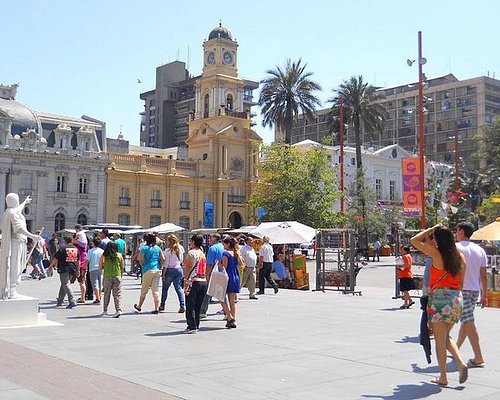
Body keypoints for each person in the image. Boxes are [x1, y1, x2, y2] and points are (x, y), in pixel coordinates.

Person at [411, 225, 468, 386]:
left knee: (439, 341)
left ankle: (443, 376)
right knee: (447, 337)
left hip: (439, 298)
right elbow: (461, 283)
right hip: (456, 298)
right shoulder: (461, 257)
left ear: (438, 240)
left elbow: (413, 241)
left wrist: (431, 229)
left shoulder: (436, 254)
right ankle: (461, 364)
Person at [455, 221, 488, 368]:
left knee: (468, 321)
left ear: (461, 231)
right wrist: (484, 294)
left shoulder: (456, 248)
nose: (455, 233)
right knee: (466, 321)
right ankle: (456, 347)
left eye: (456, 230)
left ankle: (478, 356)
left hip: (462, 289)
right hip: (475, 290)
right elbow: (484, 275)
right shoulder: (480, 250)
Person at [0, 194, 41, 299]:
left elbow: (17, 209)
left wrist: (25, 202)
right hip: (16, 243)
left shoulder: (9, 211)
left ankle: (11, 289)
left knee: (18, 266)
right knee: (15, 266)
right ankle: (11, 291)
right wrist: (33, 236)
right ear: (15, 201)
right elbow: (18, 228)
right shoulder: (12, 213)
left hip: (19, 242)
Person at [134, 233, 165, 314]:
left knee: (144, 289)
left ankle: (139, 306)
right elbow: (163, 259)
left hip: (148, 270)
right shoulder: (158, 248)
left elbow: (139, 259)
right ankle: (156, 308)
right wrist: (160, 266)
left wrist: (143, 265)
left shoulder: (144, 248)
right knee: (156, 290)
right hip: (157, 270)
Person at [183, 234, 207, 333]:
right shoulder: (202, 253)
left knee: (190, 305)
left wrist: (186, 279)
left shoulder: (191, 253)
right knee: (198, 305)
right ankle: (196, 325)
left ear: (193, 242)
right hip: (203, 281)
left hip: (193, 281)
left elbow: (188, 267)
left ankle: (191, 326)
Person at [48, 236, 79, 309]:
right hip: (72, 268)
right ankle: (60, 300)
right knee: (64, 284)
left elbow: (56, 258)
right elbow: (78, 261)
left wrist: (50, 266)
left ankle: (72, 300)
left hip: (64, 268)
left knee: (66, 284)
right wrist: (78, 270)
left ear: (65, 241)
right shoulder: (75, 249)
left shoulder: (63, 248)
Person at [219, 236, 242, 329]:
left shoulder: (225, 254)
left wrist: (218, 263)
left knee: (221, 297)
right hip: (235, 276)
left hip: (227, 277)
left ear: (228, 244)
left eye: (224, 243)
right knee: (232, 301)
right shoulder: (236, 253)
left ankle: (229, 316)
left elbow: (224, 266)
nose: (223, 245)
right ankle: (232, 320)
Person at [200, 233, 225, 318]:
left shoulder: (212, 249)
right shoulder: (223, 247)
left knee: (207, 292)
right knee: (222, 293)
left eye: (210, 238)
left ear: (214, 239)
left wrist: (206, 275)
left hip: (214, 273)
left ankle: (202, 311)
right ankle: (226, 311)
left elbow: (209, 264)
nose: (209, 240)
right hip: (223, 272)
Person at [159, 234, 185, 313]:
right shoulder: (181, 248)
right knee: (178, 288)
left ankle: (162, 305)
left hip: (169, 270)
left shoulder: (167, 251)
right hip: (178, 269)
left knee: (165, 289)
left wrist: (163, 274)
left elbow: (166, 264)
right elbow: (181, 260)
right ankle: (182, 305)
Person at [99, 241, 123, 318]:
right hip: (117, 275)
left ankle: (105, 310)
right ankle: (118, 310)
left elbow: (100, 266)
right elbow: (122, 266)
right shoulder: (119, 255)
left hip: (107, 276)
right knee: (117, 294)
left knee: (106, 294)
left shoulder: (104, 256)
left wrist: (105, 266)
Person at [73, 225, 88, 304]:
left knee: (81, 282)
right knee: (83, 281)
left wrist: (75, 238)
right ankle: (83, 297)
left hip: (80, 265)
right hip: (84, 264)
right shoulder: (85, 247)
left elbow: (73, 242)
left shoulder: (79, 247)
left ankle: (82, 298)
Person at [86, 237, 104, 304]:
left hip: (93, 268)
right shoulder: (102, 251)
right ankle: (99, 296)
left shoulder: (90, 251)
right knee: (100, 283)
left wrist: (85, 268)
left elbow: (87, 260)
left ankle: (97, 298)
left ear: (93, 243)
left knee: (95, 284)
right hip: (100, 268)